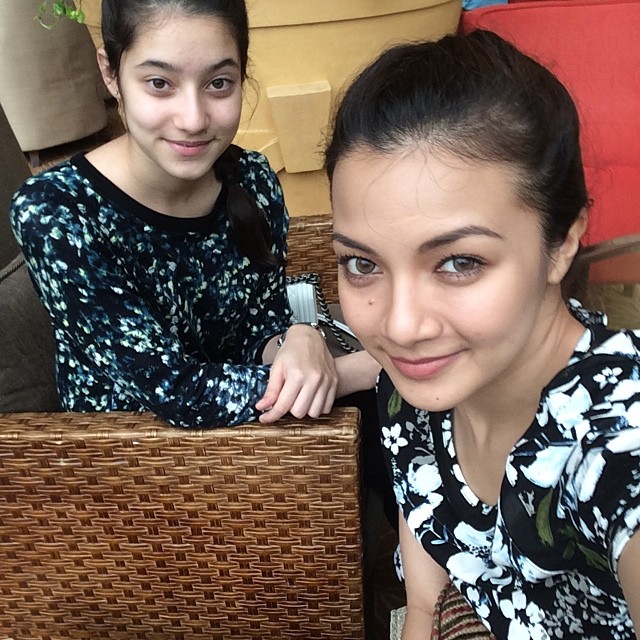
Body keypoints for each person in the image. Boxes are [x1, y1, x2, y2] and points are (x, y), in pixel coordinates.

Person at [325, 29, 640, 639]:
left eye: (459, 262)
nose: (400, 327)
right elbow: (423, 601)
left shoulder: (616, 441)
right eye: (362, 263)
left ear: (562, 242)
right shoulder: (412, 395)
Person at [10, 0, 379, 428]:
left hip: (266, 435)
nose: (193, 119)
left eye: (218, 83)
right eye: (159, 83)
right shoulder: (56, 212)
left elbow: (260, 326)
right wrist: (360, 370)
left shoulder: (251, 178)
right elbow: (177, 392)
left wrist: (296, 337)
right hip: (134, 451)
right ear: (110, 73)